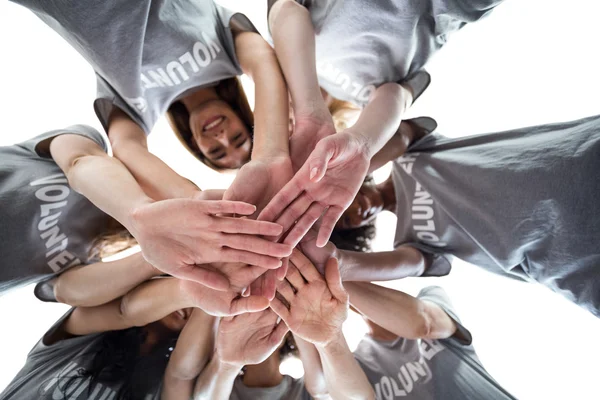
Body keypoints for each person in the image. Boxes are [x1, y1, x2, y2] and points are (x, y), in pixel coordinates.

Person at [258, 0, 504, 249]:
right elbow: (400, 96)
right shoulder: (368, 106)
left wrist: (308, 111)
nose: (289, 127)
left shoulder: (284, 49)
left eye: (283, 129)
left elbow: (287, 9)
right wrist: (362, 143)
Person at [337, 114, 600, 317]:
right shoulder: (409, 240)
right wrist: (336, 263)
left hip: (578, 164)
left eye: (342, 203)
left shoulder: (409, 152)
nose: (355, 210)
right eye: (348, 220)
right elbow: (410, 265)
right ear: (358, 230)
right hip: (574, 259)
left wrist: (342, 176)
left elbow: (403, 133)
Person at [0, 124, 290, 294]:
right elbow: (80, 164)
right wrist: (139, 210)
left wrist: (185, 260)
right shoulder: (90, 141)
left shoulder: (98, 250)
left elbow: (67, 291)